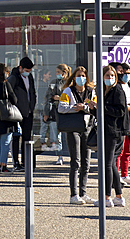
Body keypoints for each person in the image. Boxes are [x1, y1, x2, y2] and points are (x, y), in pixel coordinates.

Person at [58, 66, 96, 203]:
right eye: (79, 75)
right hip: (73, 127)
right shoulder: (68, 91)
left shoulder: (91, 92)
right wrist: (76, 108)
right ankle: (74, 195)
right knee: (76, 161)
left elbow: (94, 107)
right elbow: (61, 108)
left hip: (87, 127)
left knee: (86, 162)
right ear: (74, 78)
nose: (81, 78)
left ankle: (83, 193)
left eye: (84, 76)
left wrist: (84, 107)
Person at [101, 65, 130, 208]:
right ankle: (119, 196)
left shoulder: (117, 90)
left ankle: (107, 197)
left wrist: (102, 107)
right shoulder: (103, 91)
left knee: (107, 164)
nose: (110, 78)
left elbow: (121, 111)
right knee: (111, 164)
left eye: (112, 76)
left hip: (115, 131)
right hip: (107, 130)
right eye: (107, 76)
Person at [8, 56, 37, 172]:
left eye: (29, 71)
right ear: (20, 68)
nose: (28, 73)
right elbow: (9, 91)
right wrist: (15, 104)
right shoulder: (14, 78)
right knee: (16, 137)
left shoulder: (30, 78)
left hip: (28, 112)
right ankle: (16, 162)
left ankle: (26, 161)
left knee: (26, 138)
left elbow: (32, 92)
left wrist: (33, 104)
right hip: (17, 113)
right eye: (26, 71)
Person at [114, 63, 130, 186]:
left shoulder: (129, 85)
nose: (125, 75)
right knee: (120, 149)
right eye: (122, 72)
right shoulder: (116, 87)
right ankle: (117, 174)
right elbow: (121, 105)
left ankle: (125, 174)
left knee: (128, 149)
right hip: (121, 118)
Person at [41, 64, 70, 164]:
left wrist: (59, 98)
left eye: (58, 72)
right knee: (57, 136)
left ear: (64, 73)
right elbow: (48, 97)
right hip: (56, 112)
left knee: (71, 135)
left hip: (69, 112)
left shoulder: (70, 83)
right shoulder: (54, 83)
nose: (57, 74)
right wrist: (46, 112)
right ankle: (60, 156)